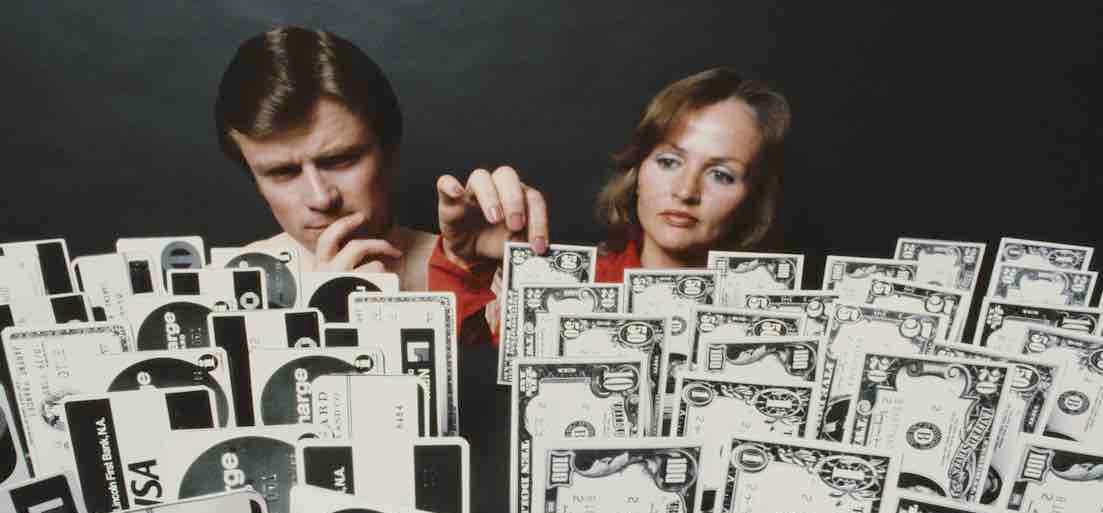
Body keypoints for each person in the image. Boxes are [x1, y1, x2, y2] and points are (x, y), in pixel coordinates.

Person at [215, 27, 547, 339]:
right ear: (253, 178)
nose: (321, 198)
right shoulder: (215, 293)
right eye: (282, 172)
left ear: (390, 151)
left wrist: (525, 269)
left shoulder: (472, 265)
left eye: (341, 159)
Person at [438, 68, 790, 342]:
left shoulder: (781, 323)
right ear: (637, 170)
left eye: (722, 175)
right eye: (669, 161)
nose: (685, 191)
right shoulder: (561, 295)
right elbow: (463, 395)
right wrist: (463, 263)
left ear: (754, 197)